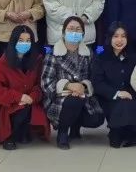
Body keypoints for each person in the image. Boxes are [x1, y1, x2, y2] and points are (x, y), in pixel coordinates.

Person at [40, 16, 104, 150]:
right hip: (59, 98)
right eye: (70, 29)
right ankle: (62, 132)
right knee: (73, 101)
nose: (74, 32)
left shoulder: (88, 53)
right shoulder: (53, 53)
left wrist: (84, 86)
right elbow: (46, 81)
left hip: (83, 94)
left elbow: (94, 77)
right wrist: (68, 86)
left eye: (78, 29)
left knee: (97, 118)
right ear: (64, 32)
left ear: (83, 34)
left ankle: (75, 127)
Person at [0, 25, 50, 150]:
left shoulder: (37, 60)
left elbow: (40, 84)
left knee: (30, 110)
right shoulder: (2, 63)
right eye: (21, 40)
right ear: (14, 41)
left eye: (28, 41)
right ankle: (9, 136)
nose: (25, 44)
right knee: (18, 110)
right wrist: (18, 97)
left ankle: (24, 131)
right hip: (9, 104)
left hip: (30, 102)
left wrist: (32, 97)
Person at [91, 22, 136, 148]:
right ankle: (116, 131)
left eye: (123, 36)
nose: (120, 40)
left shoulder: (133, 56)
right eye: (116, 36)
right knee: (116, 141)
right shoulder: (100, 55)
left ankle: (123, 130)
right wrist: (117, 93)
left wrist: (131, 95)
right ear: (109, 37)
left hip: (130, 99)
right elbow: (98, 83)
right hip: (109, 99)